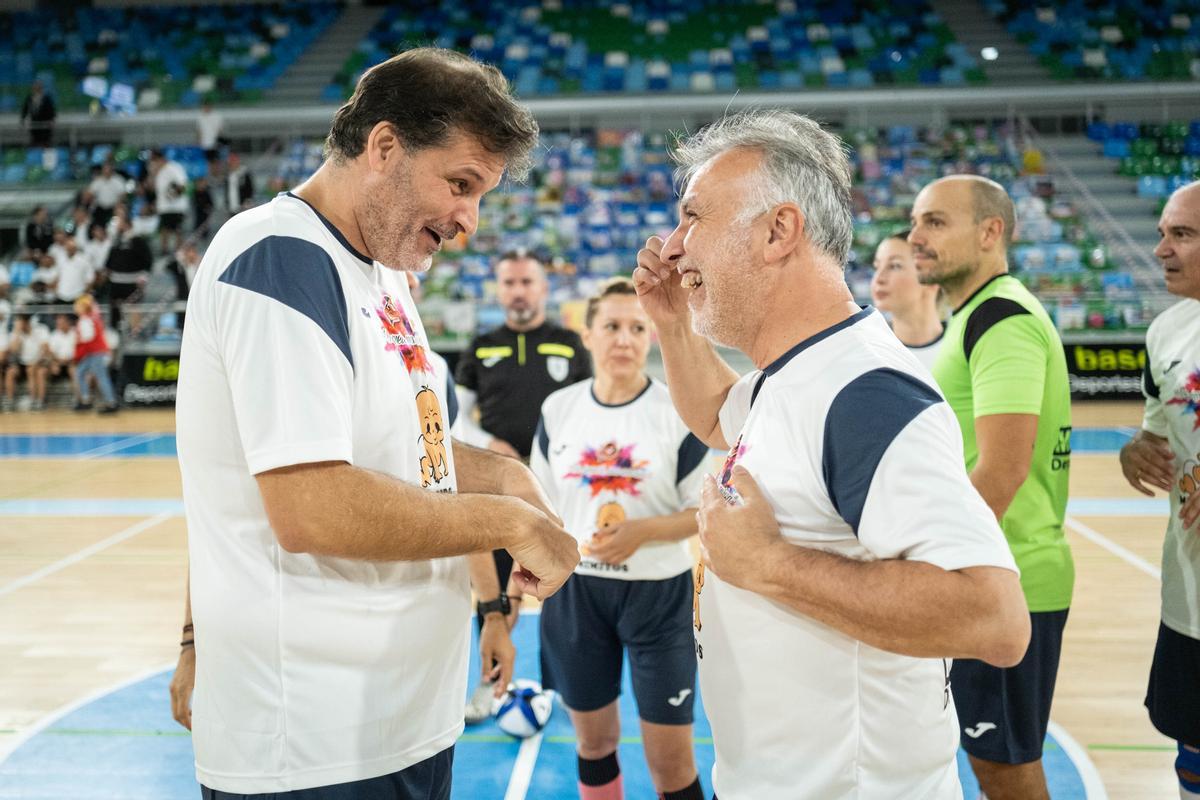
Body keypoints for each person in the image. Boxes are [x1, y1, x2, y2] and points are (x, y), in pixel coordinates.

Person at [173, 47, 578, 798]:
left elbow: (411, 452)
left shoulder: (385, 274)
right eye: (460, 185)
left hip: (401, 724)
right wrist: (507, 523)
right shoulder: (281, 259)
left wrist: (509, 479)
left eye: (481, 194)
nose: (469, 220)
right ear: (384, 146)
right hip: (314, 744)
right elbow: (310, 504)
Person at [633, 109, 1030, 799]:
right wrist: (673, 324)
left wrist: (772, 564)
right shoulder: (793, 373)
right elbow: (714, 416)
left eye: (693, 217)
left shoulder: (866, 394)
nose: (672, 246)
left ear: (777, 231)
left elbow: (994, 619)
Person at [908, 174, 1074, 800]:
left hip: (1006, 577)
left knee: (1005, 768)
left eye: (935, 222)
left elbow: (1001, 473)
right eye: (916, 221)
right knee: (991, 760)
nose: (915, 236)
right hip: (989, 574)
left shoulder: (1000, 319)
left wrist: (926, 566)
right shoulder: (976, 316)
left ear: (990, 232)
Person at [530, 278, 708, 800]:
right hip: (577, 594)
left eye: (636, 328)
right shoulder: (557, 409)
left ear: (651, 337)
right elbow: (538, 504)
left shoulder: (678, 411)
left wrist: (644, 532)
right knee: (594, 744)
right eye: (611, 327)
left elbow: (706, 512)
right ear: (586, 336)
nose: (624, 339)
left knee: (672, 765)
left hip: (659, 595)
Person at [455, 250, 592, 719]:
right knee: (494, 593)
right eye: (509, 282)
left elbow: (589, 408)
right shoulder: (480, 346)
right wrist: (491, 445)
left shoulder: (570, 343)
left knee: (561, 585)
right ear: (499, 289)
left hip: (559, 487)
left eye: (527, 282)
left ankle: (567, 686)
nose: (518, 291)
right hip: (496, 491)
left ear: (542, 288)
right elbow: (456, 420)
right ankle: (488, 686)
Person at [1117, 180, 1200, 800]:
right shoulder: (1166, 332)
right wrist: (1134, 451)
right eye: (1163, 232)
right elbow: (1155, 438)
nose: (1160, 249)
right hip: (1188, 598)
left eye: (1182, 235)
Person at [870, 229, 944, 370]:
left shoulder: (964, 347)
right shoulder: (871, 351)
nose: (878, 278)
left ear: (932, 277)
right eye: (877, 267)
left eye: (895, 266)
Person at [72, 295, 118, 414]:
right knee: (80, 372)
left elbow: (88, 338)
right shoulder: (91, 318)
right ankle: (87, 400)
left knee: (100, 376)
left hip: (96, 352)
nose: (76, 308)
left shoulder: (86, 320)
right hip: (93, 353)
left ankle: (110, 402)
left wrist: (78, 346)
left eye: (78, 306)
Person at [3, 314, 50, 411]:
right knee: (10, 372)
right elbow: (14, 350)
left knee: (34, 371)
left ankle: (38, 401)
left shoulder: (40, 330)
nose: (20, 324)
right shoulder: (16, 333)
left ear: (28, 322)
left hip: (39, 361)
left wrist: (37, 362)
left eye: (22, 322)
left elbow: (45, 350)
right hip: (22, 363)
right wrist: (17, 332)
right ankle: (10, 402)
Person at [148, 149, 190, 254]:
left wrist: (173, 194)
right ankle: (164, 251)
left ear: (161, 159)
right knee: (164, 230)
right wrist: (153, 174)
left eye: (155, 160)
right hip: (163, 207)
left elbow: (183, 184)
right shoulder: (157, 171)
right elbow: (153, 189)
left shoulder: (174, 167)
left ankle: (179, 252)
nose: (154, 163)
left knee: (177, 231)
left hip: (177, 207)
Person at [46, 313, 78, 405]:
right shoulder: (55, 334)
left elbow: (79, 350)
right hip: (57, 362)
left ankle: (76, 399)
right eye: (58, 322)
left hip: (72, 362)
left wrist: (70, 360)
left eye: (61, 322)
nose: (58, 325)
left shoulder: (75, 333)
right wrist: (54, 362)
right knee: (43, 371)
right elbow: (50, 352)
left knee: (74, 371)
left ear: (68, 322)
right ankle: (40, 400)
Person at [88, 162, 127, 229]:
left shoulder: (118, 180)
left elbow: (123, 195)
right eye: (104, 169)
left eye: (108, 169)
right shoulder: (98, 181)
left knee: (120, 210)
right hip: (100, 207)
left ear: (111, 169)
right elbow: (90, 193)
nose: (106, 171)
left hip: (114, 206)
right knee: (92, 213)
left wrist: (118, 204)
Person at [20, 79, 55, 147]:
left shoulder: (46, 98)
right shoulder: (29, 98)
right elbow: (25, 109)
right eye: (35, 87)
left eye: (38, 87)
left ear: (41, 88)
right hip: (34, 124)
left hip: (45, 125)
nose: (37, 89)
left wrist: (52, 120)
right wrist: (22, 119)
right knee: (35, 142)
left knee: (46, 142)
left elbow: (51, 110)